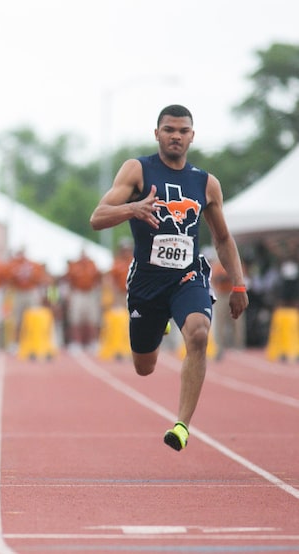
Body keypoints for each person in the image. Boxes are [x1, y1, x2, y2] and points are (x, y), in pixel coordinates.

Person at [90, 104, 248, 452]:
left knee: (198, 333)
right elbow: (97, 217)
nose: (176, 136)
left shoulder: (205, 183)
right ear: (157, 133)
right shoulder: (138, 170)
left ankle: (182, 425)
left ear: (192, 136)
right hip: (147, 281)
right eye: (169, 129)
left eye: (183, 130)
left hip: (187, 276)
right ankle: (159, 323)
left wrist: (238, 283)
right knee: (144, 367)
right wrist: (133, 208)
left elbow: (222, 238)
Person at [63, 248, 102, 351]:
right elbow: (68, 280)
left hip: (90, 293)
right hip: (78, 293)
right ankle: (76, 342)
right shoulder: (74, 266)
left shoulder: (92, 265)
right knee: (76, 319)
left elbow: (98, 279)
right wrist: (69, 294)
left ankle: (92, 342)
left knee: (92, 319)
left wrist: (97, 293)